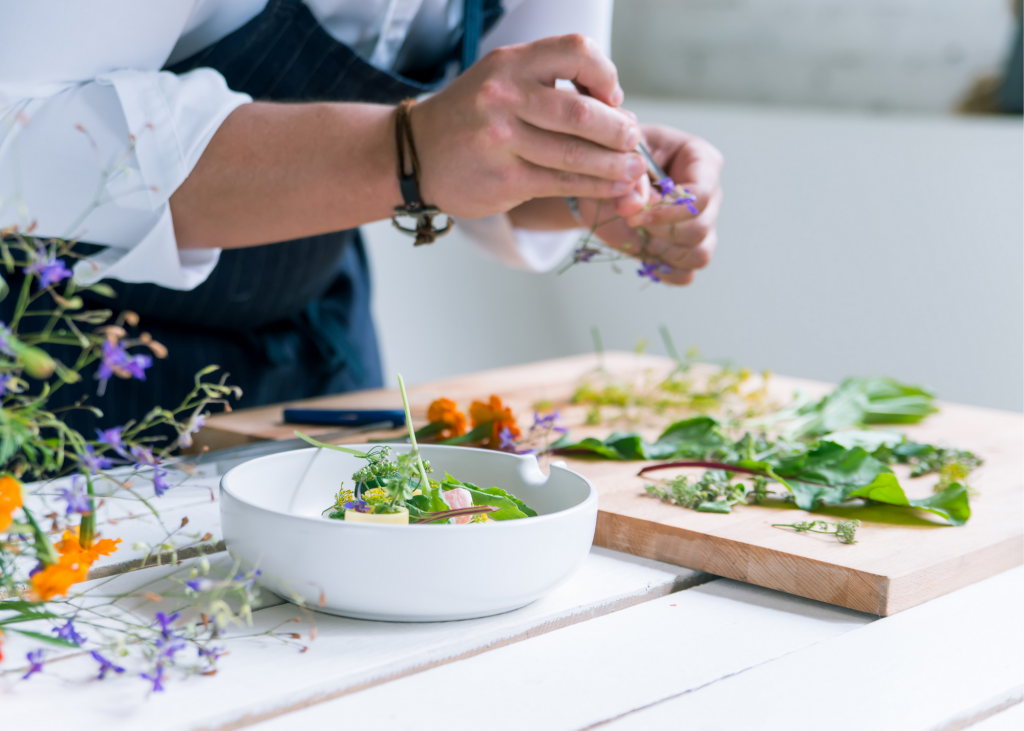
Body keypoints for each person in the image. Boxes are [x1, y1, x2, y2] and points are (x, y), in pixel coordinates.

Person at [0, 0, 723, 431]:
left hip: (316, 344)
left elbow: (485, 131)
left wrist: (580, 176)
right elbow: (14, 128)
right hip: (48, 358)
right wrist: (402, 151)